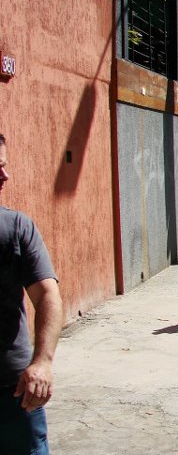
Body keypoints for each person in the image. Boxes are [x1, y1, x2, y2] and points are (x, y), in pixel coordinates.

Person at [0, 134, 64, 454]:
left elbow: (47, 296)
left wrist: (42, 361)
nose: (5, 176)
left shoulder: (15, 227)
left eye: (4, 166)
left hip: (11, 391)